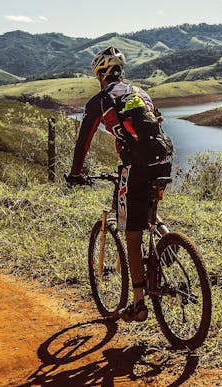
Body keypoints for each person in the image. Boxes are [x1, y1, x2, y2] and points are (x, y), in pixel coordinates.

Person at [68, 46, 173, 323]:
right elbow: (157, 124)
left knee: (132, 234)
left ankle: (138, 304)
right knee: (147, 210)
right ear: (120, 72)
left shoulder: (101, 101)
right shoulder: (141, 93)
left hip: (135, 168)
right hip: (163, 161)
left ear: (100, 75)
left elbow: (83, 142)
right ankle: (169, 239)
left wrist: (76, 173)